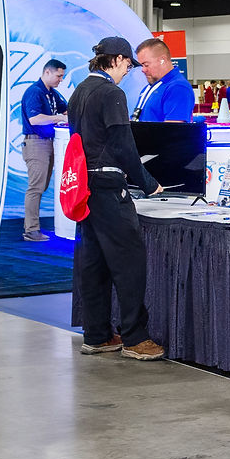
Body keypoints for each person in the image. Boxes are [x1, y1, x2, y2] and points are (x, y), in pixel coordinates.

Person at [68, 36, 165, 360]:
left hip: (86, 188)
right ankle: (135, 339)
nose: (128, 71)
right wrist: (149, 183)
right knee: (129, 264)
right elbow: (124, 145)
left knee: (93, 264)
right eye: (127, 65)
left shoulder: (79, 91)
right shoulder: (111, 93)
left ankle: (96, 335)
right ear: (119, 60)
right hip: (110, 189)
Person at [20, 59, 68, 242]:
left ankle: (32, 227)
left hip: (48, 142)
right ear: (47, 72)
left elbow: (66, 111)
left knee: (41, 186)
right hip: (36, 143)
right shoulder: (34, 92)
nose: (60, 80)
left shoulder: (53, 94)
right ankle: (31, 230)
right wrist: (58, 118)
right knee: (36, 188)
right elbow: (35, 119)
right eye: (58, 76)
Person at [132, 38, 195, 122]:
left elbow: (172, 130)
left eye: (146, 65)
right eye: (141, 65)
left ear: (162, 60)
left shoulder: (178, 88)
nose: (143, 70)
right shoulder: (150, 87)